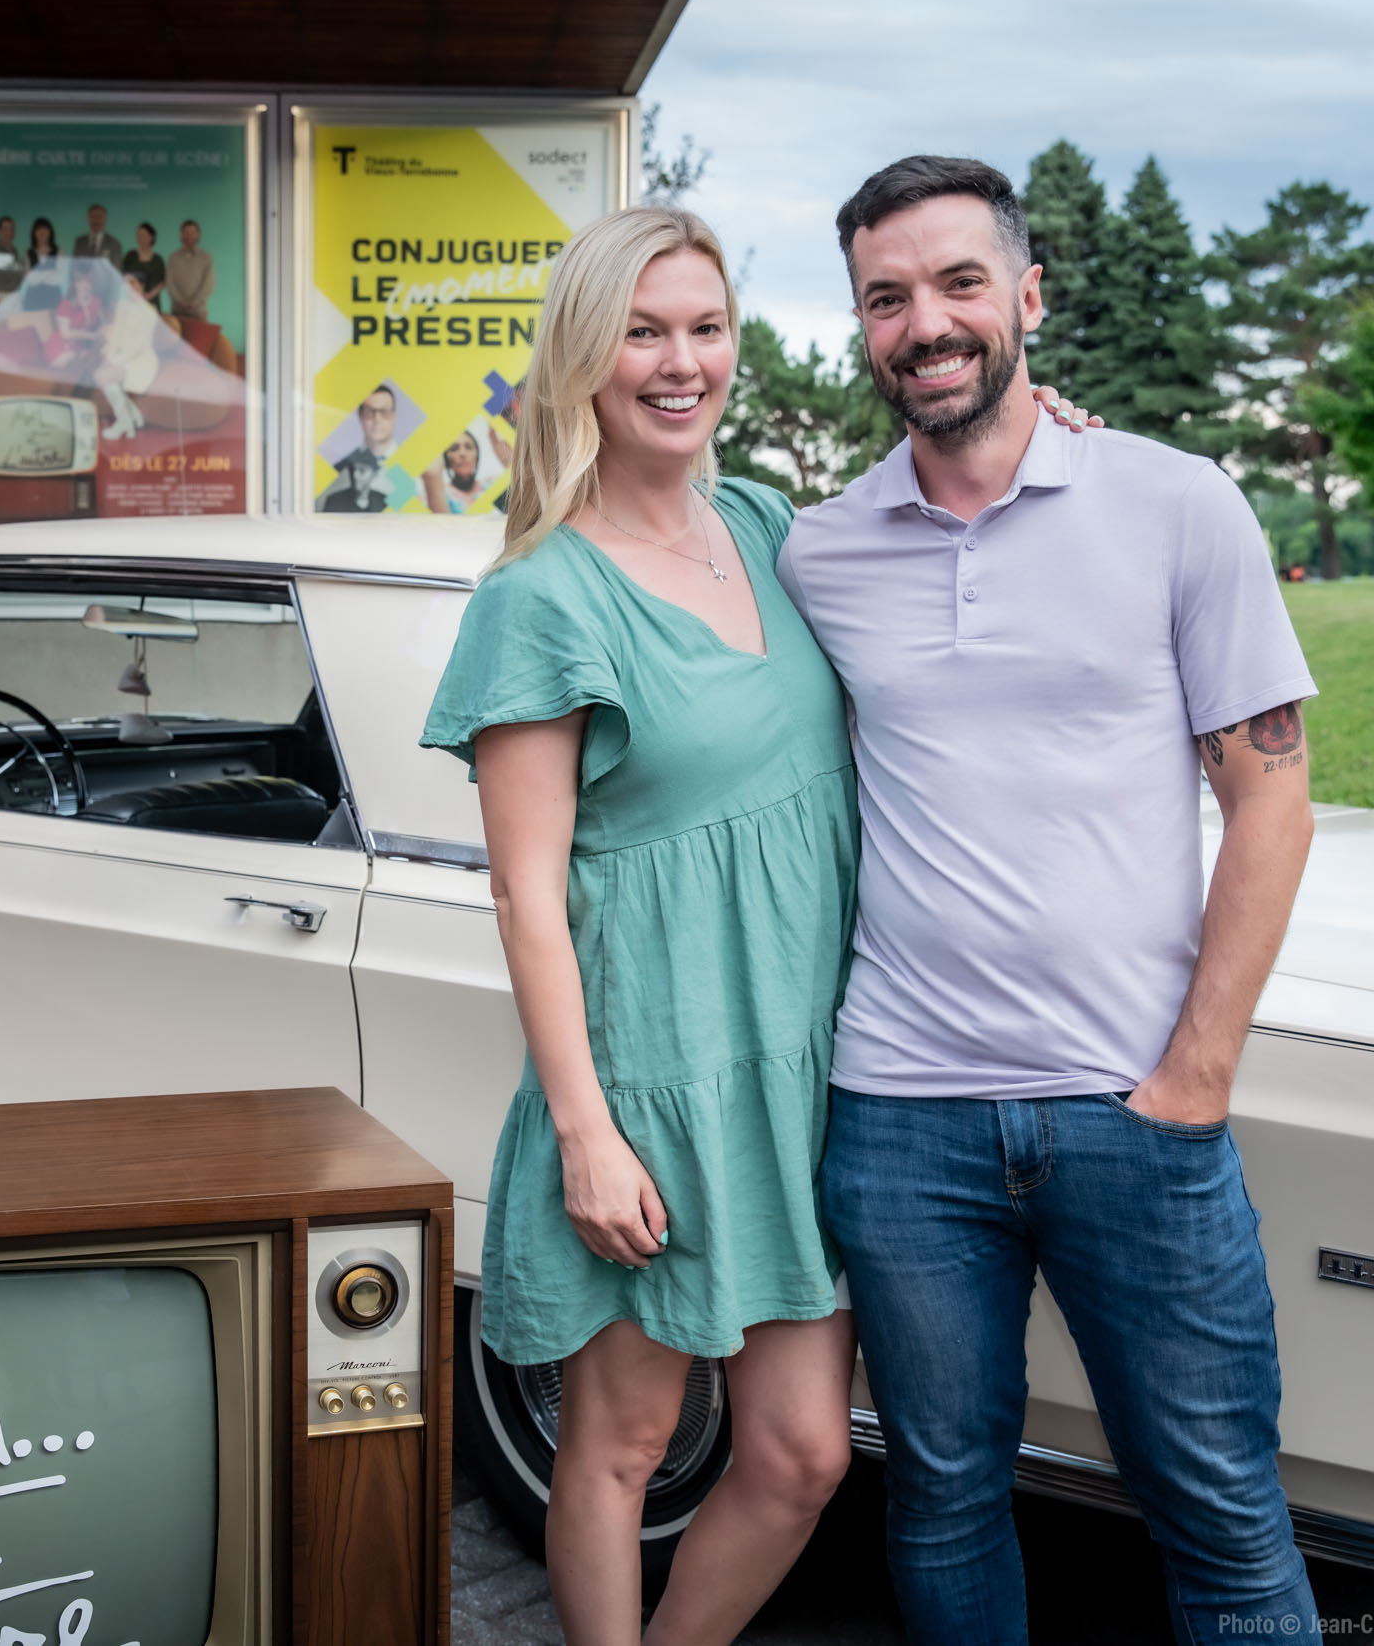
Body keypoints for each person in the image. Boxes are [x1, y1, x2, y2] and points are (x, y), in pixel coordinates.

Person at [779, 155, 1321, 1645]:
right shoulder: (816, 550)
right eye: (886, 298)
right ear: (863, 329)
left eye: (959, 284)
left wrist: (1196, 1077)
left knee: (1219, 1507)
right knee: (944, 1495)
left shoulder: (1175, 502)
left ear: (1026, 297)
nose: (925, 323)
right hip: (899, 1118)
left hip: (1132, 1112)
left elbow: (1270, 797)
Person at [418, 205, 860, 1646]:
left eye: (708, 328)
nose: (682, 362)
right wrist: (588, 1132)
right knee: (619, 1448)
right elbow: (524, 893)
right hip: (649, 1086)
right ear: (582, 359)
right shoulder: (542, 597)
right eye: (644, 331)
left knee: (802, 1455)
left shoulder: (766, 526)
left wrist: (1058, 434)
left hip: (800, 1079)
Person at [314, 384, 416, 512]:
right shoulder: (340, 465)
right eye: (370, 412)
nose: (377, 418)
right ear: (360, 416)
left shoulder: (413, 465)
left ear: (394, 416)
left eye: (384, 412)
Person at [94, 272, 163, 441]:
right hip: (121, 356)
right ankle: (134, 416)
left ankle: (124, 423)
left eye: (134, 285)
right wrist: (110, 357)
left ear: (142, 287)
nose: (130, 289)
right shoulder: (122, 306)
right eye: (127, 285)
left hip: (141, 359)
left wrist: (116, 361)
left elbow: (139, 345)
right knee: (100, 374)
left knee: (102, 376)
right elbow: (115, 335)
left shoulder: (150, 311)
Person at [423, 429, 483, 513]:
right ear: (446, 460)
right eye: (454, 449)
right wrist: (432, 479)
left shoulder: (491, 484)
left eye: (468, 447)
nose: (462, 453)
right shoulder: (440, 495)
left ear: (477, 455)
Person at [166, 219, 215, 322]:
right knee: (175, 339)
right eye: (186, 232)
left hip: (198, 312)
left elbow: (209, 284)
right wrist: (180, 301)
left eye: (192, 232)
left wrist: (194, 302)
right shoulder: (173, 258)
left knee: (200, 338)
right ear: (182, 235)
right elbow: (169, 283)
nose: (189, 236)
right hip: (177, 312)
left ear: (198, 235)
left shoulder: (206, 258)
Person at [120, 222, 166, 307]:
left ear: (152, 237)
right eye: (139, 235)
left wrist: (149, 295)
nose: (141, 238)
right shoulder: (130, 256)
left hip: (152, 303)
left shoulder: (158, 260)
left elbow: (163, 281)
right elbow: (124, 276)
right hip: (133, 302)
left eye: (144, 235)